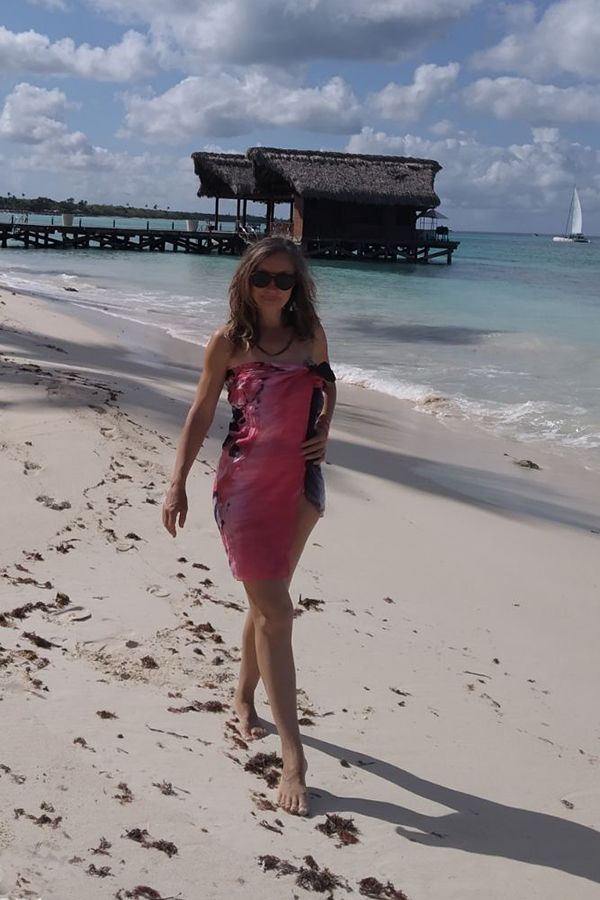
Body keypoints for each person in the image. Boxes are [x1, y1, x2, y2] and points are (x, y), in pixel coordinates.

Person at [162, 236, 336, 816]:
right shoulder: (228, 342)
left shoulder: (310, 335)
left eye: (284, 279)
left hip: (301, 486)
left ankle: (242, 697)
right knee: (277, 612)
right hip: (244, 489)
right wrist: (177, 481)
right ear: (245, 279)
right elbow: (201, 411)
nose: (272, 288)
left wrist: (324, 431)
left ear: (297, 285)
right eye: (263, 277)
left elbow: (328, 383)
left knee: (268, 604)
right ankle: (294, 757)